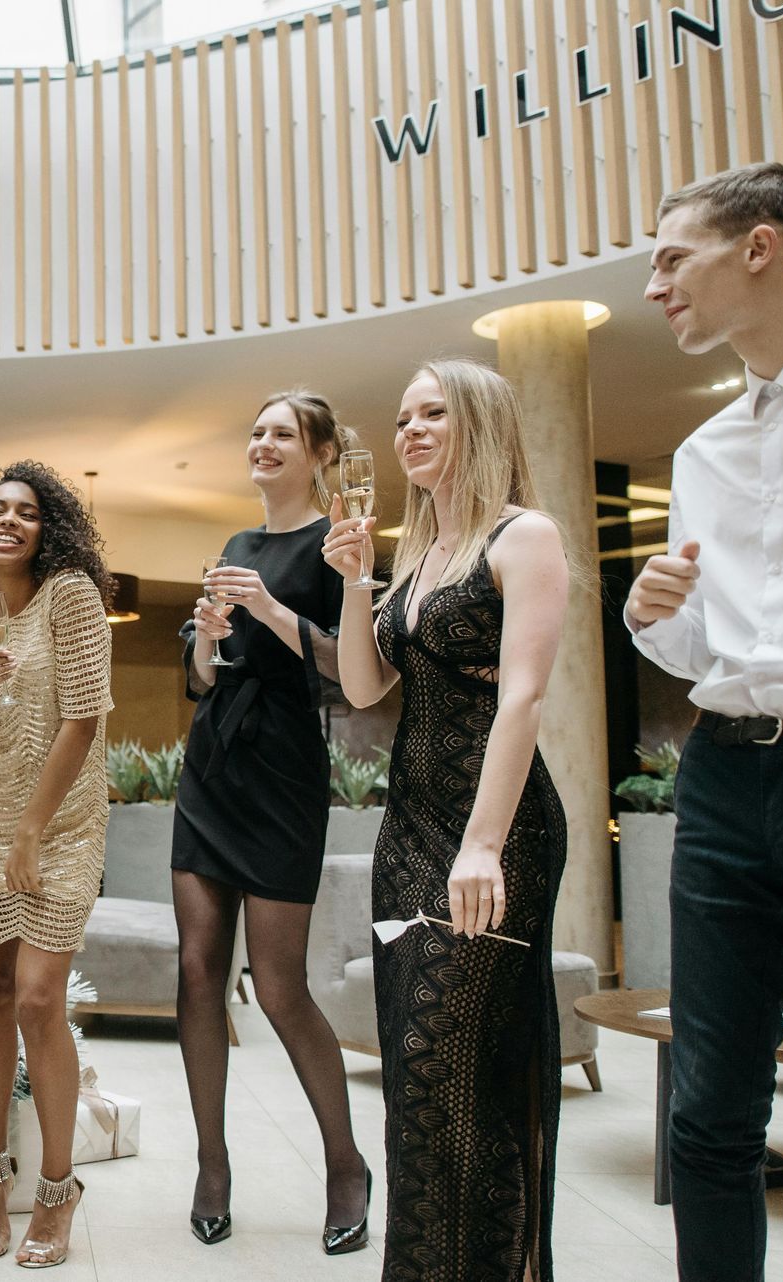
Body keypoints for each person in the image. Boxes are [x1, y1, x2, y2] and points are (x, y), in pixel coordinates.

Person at [628, 161, 783, 1281]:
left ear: (759, 247)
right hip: (720, 775)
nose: (655, 284)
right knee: (708, 1109)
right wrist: (651, 615)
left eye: (674, 257)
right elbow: (696, 647)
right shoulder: (702, 452)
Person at [321, 359, 571, 1281]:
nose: (410, 431)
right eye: (402, 418)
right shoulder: (420, 555)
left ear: (481, 421)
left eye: (434, 413)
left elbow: (524, 699)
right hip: (408, 834)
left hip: (495, 835)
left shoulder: (524, 536)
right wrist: (354, 582)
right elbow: (361, 686)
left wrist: (484, 844)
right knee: (416, 1080)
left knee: (457, 1074)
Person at [172, 390, 370, 1253]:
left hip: (287, 770)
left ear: (320, 452)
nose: (263, 444)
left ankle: (345, 1165)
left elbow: (353, 676)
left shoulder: (341, 544)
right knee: (195, 971)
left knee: (281, 987)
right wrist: (210, 635)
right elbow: (200, 676)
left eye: (282, 434)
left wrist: (271, 610)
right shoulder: (234, 543)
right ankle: (212, 1165)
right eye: (255, 432)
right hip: (212, 767)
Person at [0, 460, 112, 1270]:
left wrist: (33, 831)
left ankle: (56, 1188)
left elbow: (82, 721)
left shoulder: (70, 597)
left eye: (28, 512)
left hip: (62, 827)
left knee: (41, 1000)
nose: (8, 521)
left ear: (51, 531)